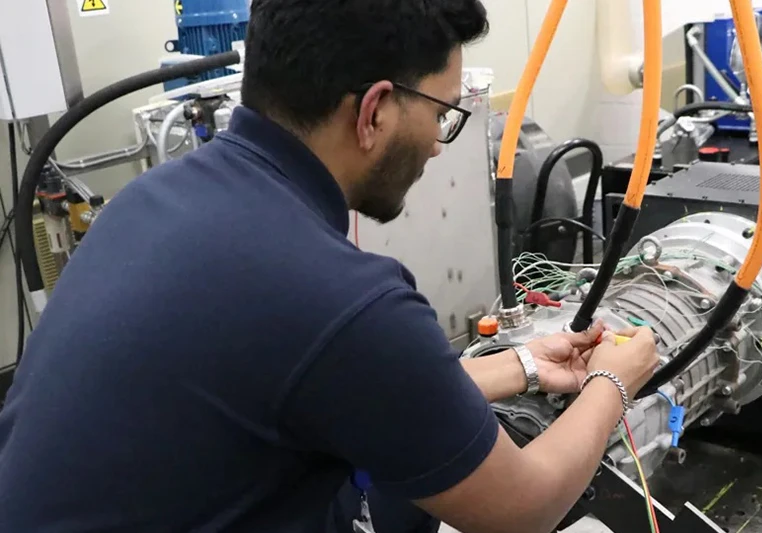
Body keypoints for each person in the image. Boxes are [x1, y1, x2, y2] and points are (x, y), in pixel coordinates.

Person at [0, 1, 660, 532]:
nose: (439, 141)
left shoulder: (152, 199)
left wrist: (521, 364)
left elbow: (329, 382)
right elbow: (525, 507)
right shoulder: (341, 297)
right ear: (372, 111)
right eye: (443, 113)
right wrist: (612, 378)